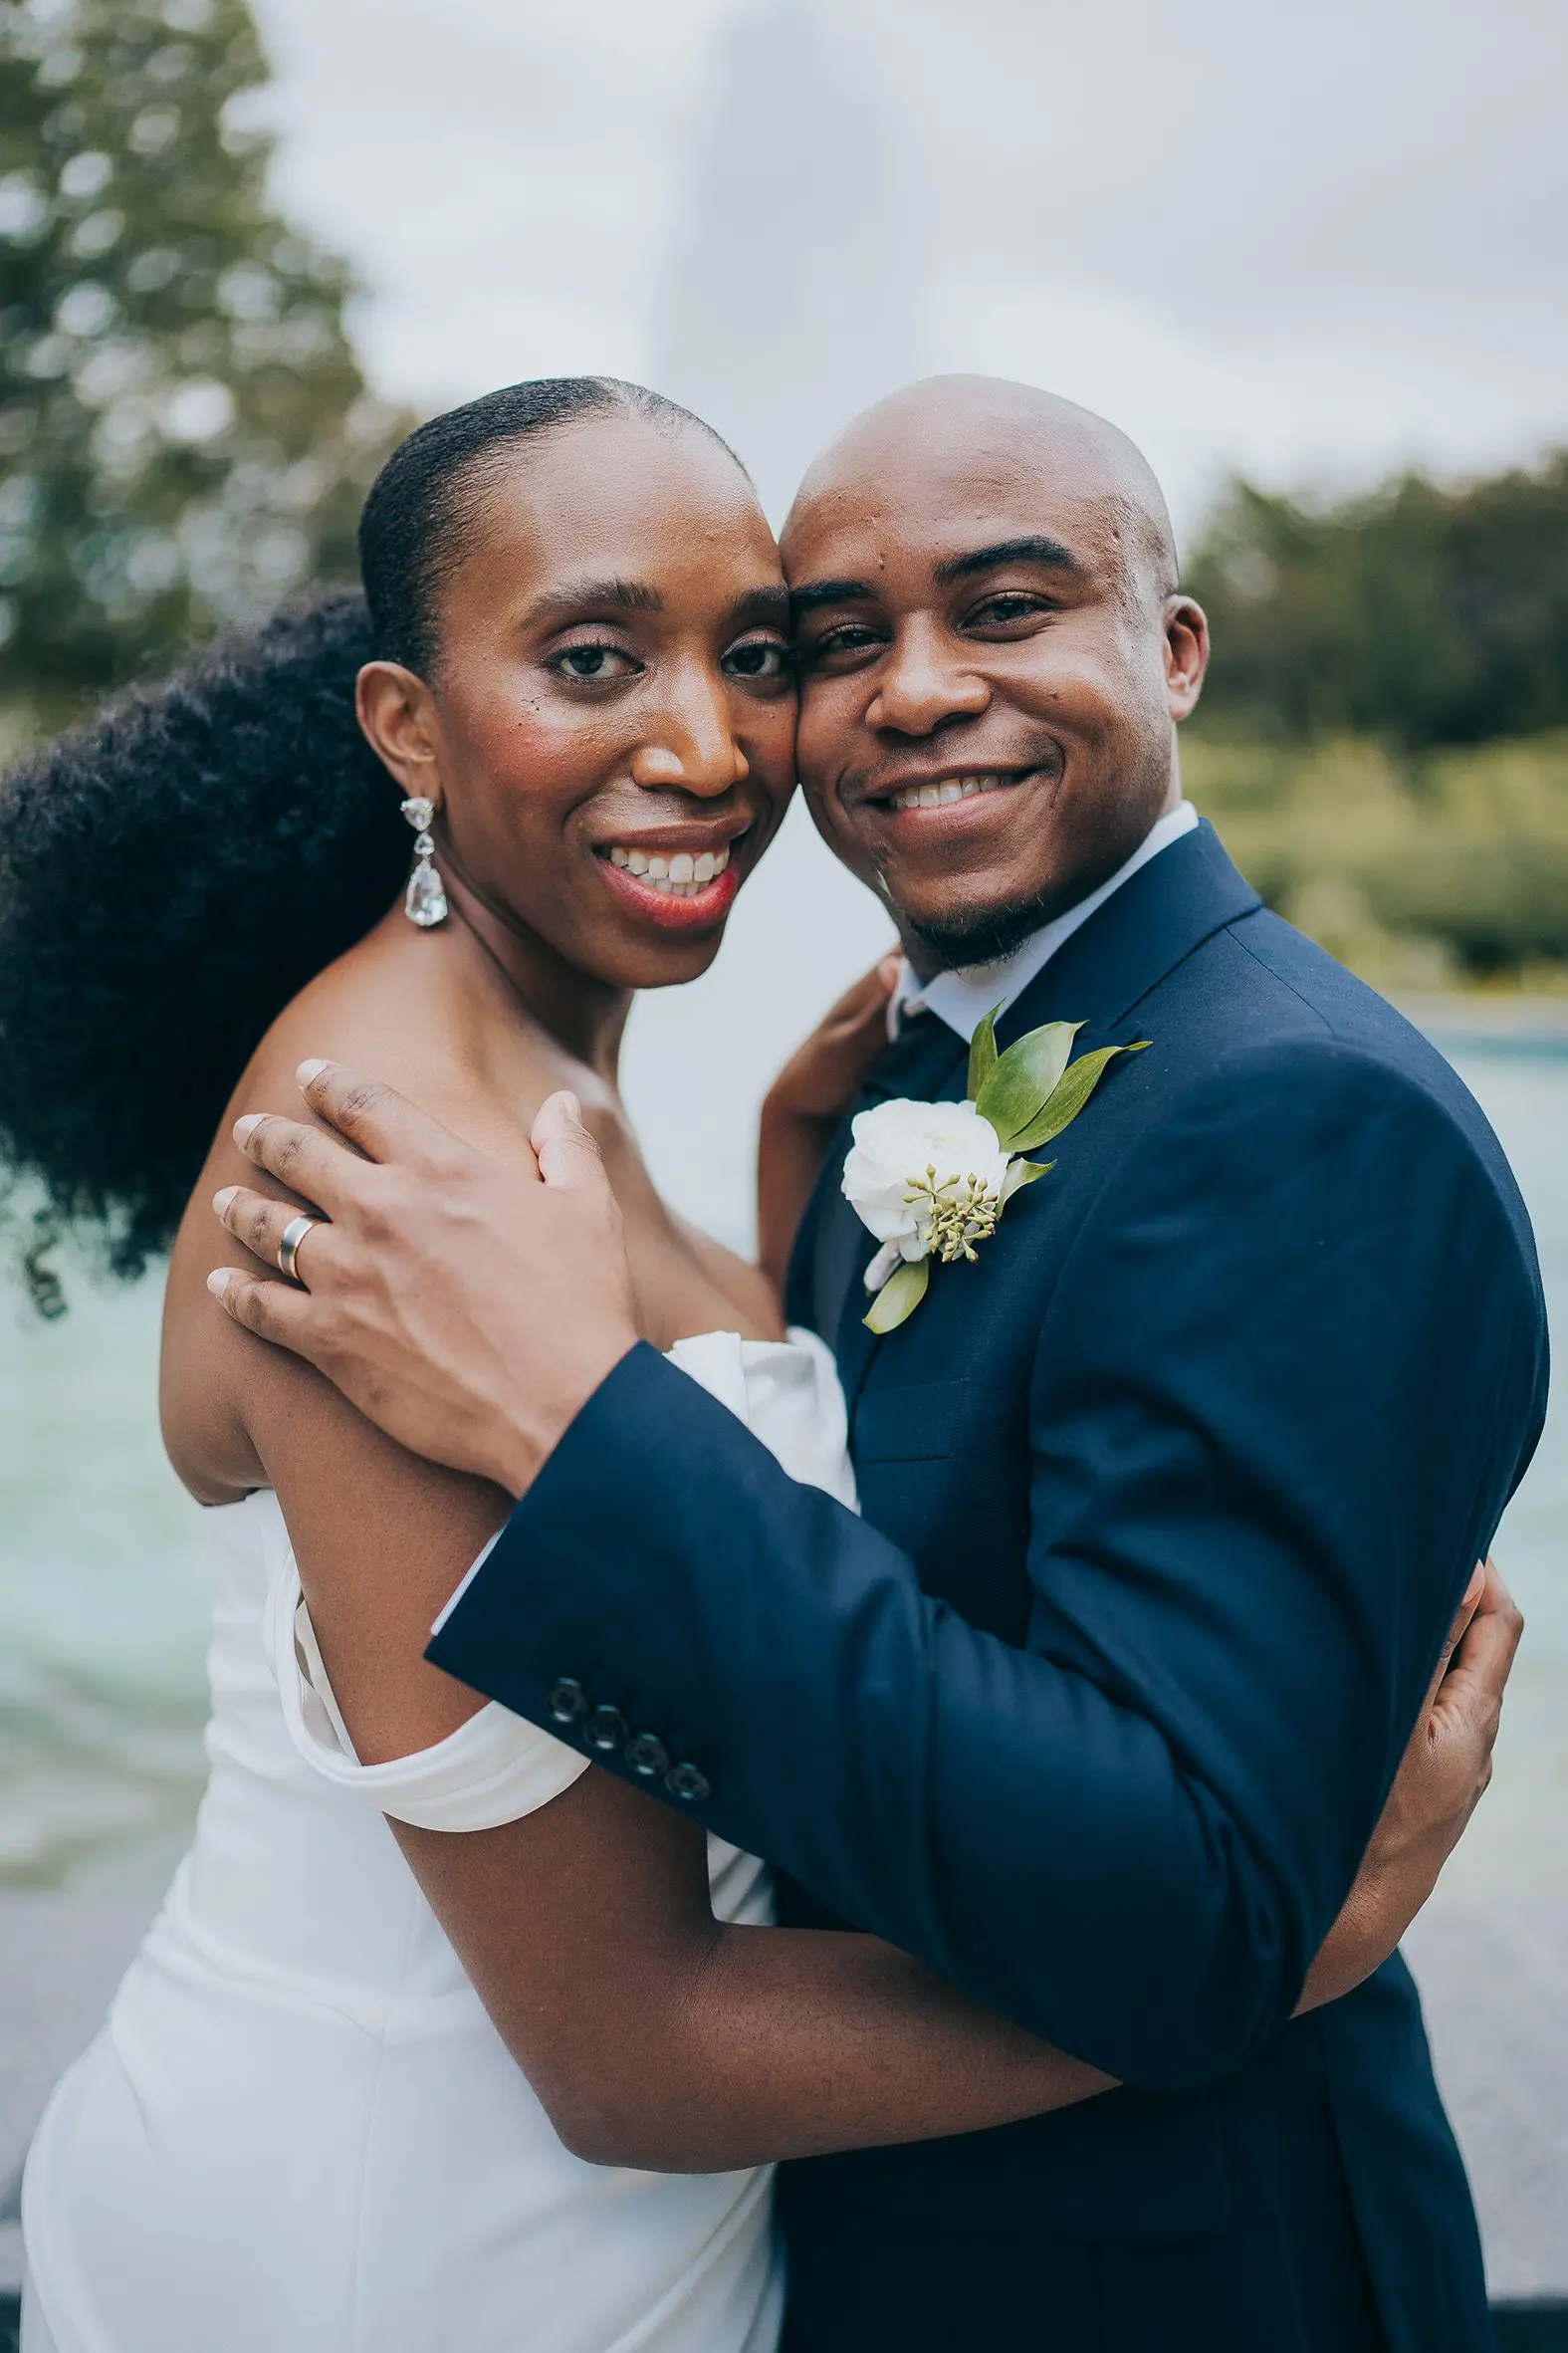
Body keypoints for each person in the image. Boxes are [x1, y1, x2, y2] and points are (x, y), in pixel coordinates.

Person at [0, 374, 1501, 2353]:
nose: (712, 744)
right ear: (405, 724)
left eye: (753, 655)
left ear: (1177, 648)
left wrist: (792, 1234)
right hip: (415, 2244)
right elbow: (629, 2044)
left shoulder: (611, 1111)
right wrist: (1297, 1952)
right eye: (601, 657)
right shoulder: (385, 1176)